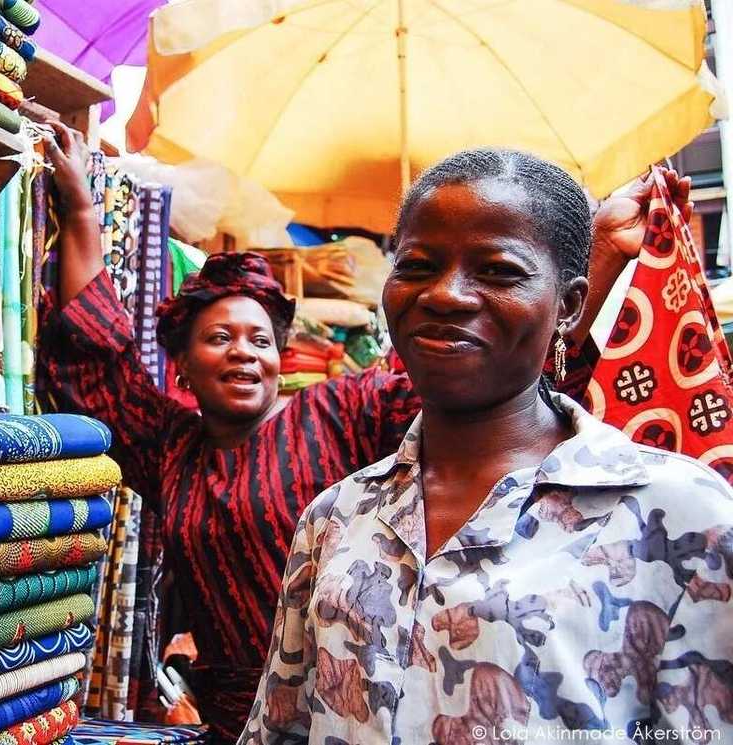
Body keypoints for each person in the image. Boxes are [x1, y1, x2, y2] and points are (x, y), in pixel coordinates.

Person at [39, 123, 694, 742]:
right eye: (220, 338)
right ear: (180, 361)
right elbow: (98, 364)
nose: (244, 353)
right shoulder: (172, 449)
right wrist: (80, 213)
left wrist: (601, 257)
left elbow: (484, 371)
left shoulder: (338, 414)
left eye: (260, 339)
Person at [238, 149, 733, 744]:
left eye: (499, 271)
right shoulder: (336, 518)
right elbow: (282, 727)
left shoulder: (684, 518)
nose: (446, 295)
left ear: (570, 306)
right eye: (417, 265)